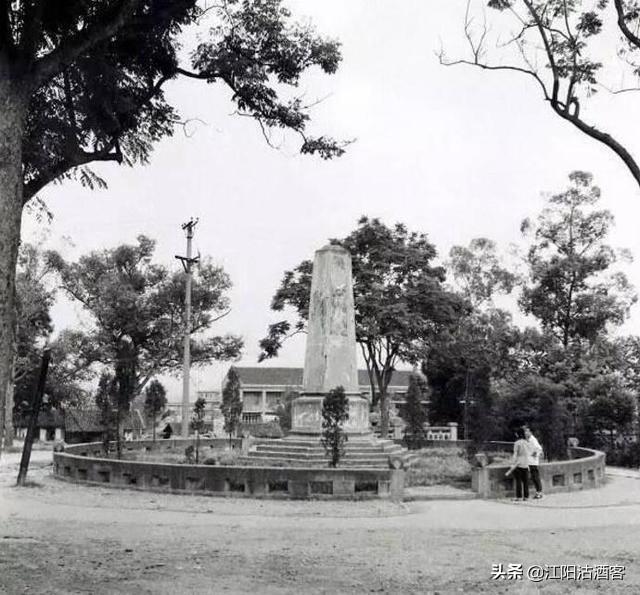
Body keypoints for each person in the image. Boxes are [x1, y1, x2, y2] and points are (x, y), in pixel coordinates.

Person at [505, 427, 530, 501]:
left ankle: (519, 496)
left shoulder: (517, 443)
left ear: (518, 434)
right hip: (526, 463)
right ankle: (526, 497)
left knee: (518, 481)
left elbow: (515, 454)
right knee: (525, 482)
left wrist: (512, 463)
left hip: (518, 464)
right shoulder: (527, 442)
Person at [523, 425, 544, 499]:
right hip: (530, 462)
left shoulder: (533, 439)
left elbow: (539, 448)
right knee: (533, 477)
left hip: (533, 462)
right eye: (525, 431)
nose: (526, 433)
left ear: (530, 432)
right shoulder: (528, 439)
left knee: (536, 477)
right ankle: (538, 492)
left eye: (527, 431)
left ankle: (539, 492)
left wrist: (534, 454)